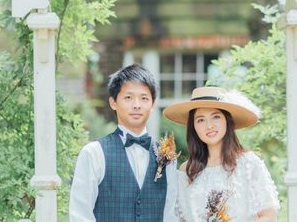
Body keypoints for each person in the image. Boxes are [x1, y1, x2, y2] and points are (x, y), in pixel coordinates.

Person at [69, 64, 177, 222]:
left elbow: (170, 214)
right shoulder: (94, 153)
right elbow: (80, 215)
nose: (136, 105)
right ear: (113, 102)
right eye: (128, 97)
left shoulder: (167, 157)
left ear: (153, 104)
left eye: (144, 98)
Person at [163, 86, 279, 222]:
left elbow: (268, 216)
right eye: (200, 120)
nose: (209, 126)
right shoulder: (186, 171)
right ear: (193, 127)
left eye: (216, 117)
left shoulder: (248, 163)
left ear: (227, 120)